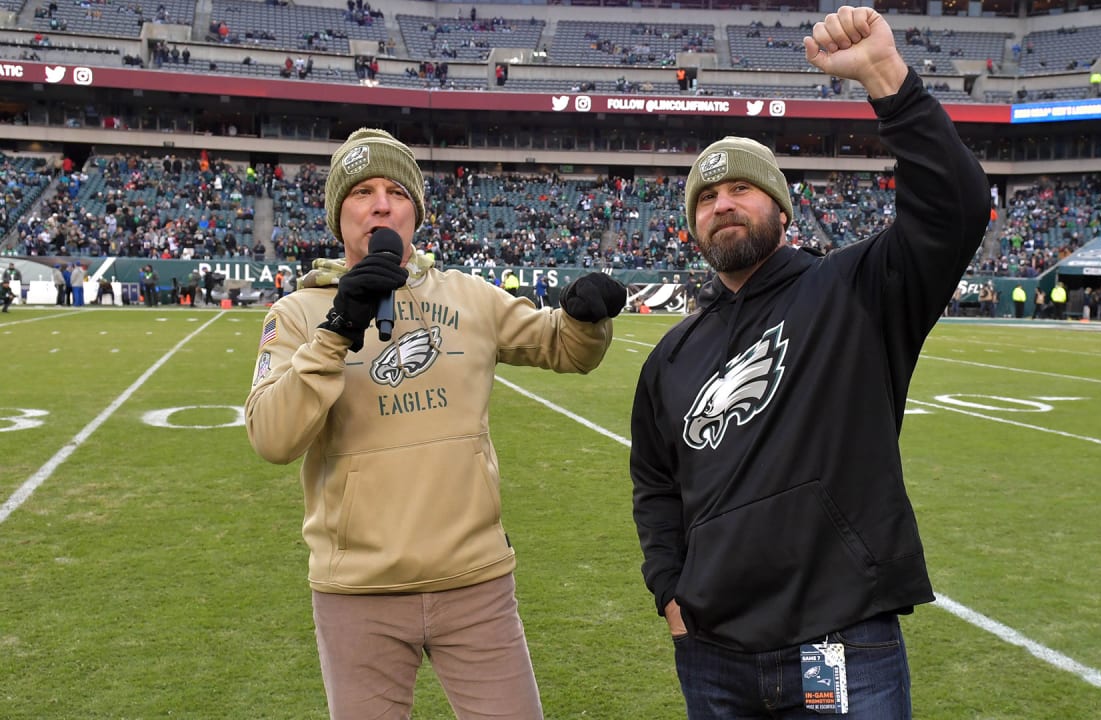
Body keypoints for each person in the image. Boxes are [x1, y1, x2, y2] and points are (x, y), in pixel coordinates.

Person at [629, 9, 989, 719]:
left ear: (784, 211)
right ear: (692, 226)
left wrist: (886, 78)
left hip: (840, 643)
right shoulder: (670, 356)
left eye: (740, 188)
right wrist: (668, 587)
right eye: (705, 197)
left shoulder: (856, 290)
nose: (722, 204)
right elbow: (655, 484)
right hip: (711, 653)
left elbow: (957, 209)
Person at [244, 127, 626, 720]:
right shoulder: (297, 313)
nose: (380, 203)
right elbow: (271, 436)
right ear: (337, 214)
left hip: (474, 581)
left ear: (416, 212)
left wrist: (585, 316)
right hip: (358, 590)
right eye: (361, 191)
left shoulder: (469, 296)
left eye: (396, 190)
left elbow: (564, 348)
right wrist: (338, 327)